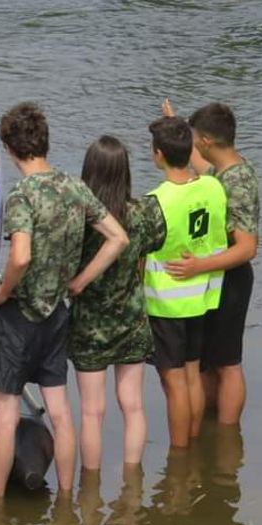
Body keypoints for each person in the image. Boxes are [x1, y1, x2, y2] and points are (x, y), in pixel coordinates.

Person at [0, 103, 128, 499]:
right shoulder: (74, 188)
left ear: (11, 148)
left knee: (6, 415)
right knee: (61, 411)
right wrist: (79, 280)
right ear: (44, 142)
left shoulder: (22, 195)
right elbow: (117, 238)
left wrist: (4, 292)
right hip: (56, 313)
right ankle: (66, 497)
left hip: (18, 314)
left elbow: (22, 256)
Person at [68, 136, 166, 471]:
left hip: (89, 325)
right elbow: (151, 246)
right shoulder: (143, 214)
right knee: (134, 406)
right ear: (125, 172)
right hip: (132, 318)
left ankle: (91, 487)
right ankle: (131, 478)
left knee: (92, 413)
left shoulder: (80, 218)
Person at [165, 103, 259, 428]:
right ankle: (210, 437)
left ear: (205, 139)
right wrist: (174, 124)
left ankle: (227, 432)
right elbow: (202, 168)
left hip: (231, 279)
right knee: (208, 360)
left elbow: (248, 248)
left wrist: (200, 266)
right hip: (214, 277)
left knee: (228, 362)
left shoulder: (239, 181)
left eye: (192, 137)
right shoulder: (223, 170)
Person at [143, 117, 227, 449]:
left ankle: (178, 455)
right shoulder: (212, 186)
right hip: (203, 298)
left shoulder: (156, 201)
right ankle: (191, 445)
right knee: (192, 375)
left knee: (173, 381)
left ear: (158, 155)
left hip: (167, 302)